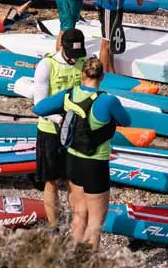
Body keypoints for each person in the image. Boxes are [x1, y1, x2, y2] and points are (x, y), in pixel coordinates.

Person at [31, 55, 132, 246]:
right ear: (102, 76)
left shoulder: (69, 95)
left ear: (81, 74)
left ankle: (72, 261)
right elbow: (127, 121)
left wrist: (63, 117)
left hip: (73, 162)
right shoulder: (108, 101)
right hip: (95, 165)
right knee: (94, 225)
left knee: (78, 217)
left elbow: (39, 108)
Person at [30, 28, 88, 230]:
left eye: (77, 56)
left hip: (76, 132)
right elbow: (39, 104)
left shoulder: (83, 63)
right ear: (61, 46)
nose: (74, 60)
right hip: (50, 131)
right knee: (52, 181)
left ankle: (76, 225)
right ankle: (54, 227)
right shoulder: (47, 65)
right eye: (71, 55)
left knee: (75, 181)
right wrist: (60, 119)